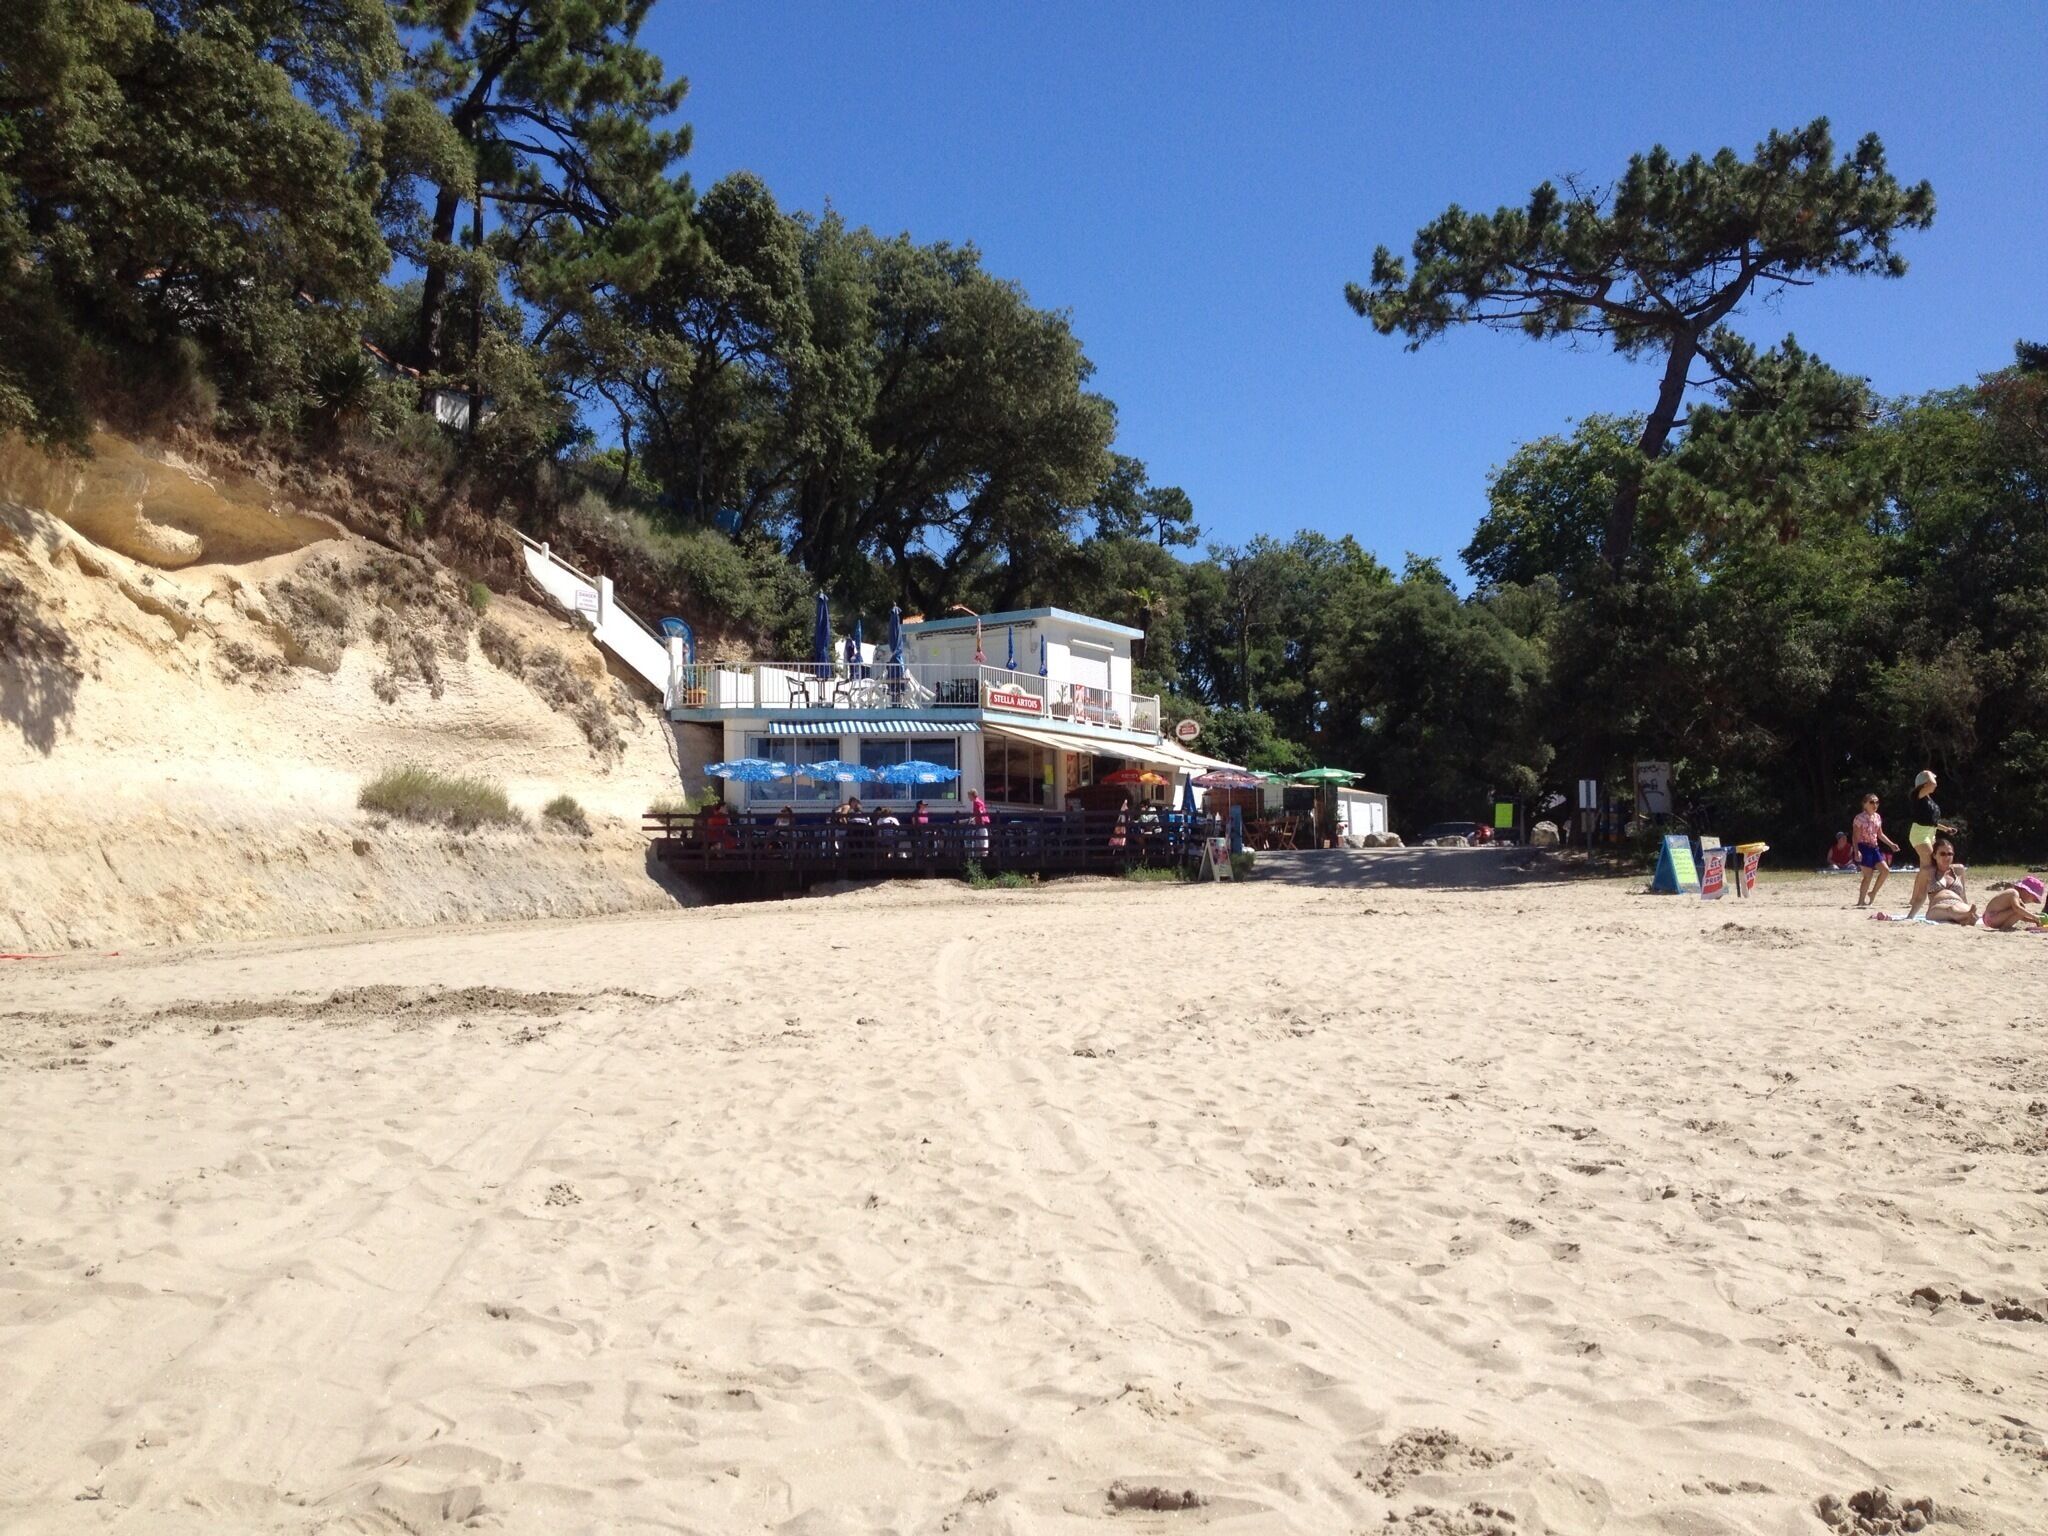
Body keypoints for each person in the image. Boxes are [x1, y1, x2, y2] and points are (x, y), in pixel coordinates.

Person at [1902, 769, 1956, 918]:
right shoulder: (1917, 795)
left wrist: (1946, 829)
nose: (1935, 783)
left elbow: (1932, 821)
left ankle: (1914, 898)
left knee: (1924, 868)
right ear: (1924, 783)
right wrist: (1928, 773)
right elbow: (1932, 783)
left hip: (1930, 833)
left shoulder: (1928, 799)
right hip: (1920, 834)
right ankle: (1922, 897)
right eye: (1932, 779)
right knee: (1931, 866)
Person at [1851, 795, 1900, 908]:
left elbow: (1880, 834)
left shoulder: (1877, 817)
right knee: (1868, 875)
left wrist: (1891, 844)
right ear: (1865, 804)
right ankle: (1861, 901)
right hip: (1863, 847)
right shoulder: (1859, 818)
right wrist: (1857, 851)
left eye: (1877, 802)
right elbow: (1855, 837)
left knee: (1885, 870)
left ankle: (1873, 893)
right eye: (1872, 802)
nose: (1875, 804)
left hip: (1874, 847)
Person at [1921, 837, 1977, 924]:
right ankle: (1964, 916)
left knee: (1967, 911)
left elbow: (1963, 895)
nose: (1947, 857)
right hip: (1937, 905)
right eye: (1942, 854)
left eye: (1950, 854)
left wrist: (1966, 906)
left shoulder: (1959, 870)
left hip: (1958, 902)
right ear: (1934, 855)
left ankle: (1966, 915)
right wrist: (1910, 916)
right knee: (1950, 910)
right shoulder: (1927, 872)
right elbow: (1919, 898)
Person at [1981, 875, 2046, 932]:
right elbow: (2017, 909)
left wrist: (2034, 920)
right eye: (2033, 898)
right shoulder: (2013, 893)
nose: (2031, 901)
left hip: (1991, 918)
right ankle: (2005, 927)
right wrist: (2034, 917)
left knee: (2021, 909)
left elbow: (2020, 916)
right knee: (2021, 909)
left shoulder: (2017, 897)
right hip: (1992, 917)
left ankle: (2004, 926)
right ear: (2026, 891)